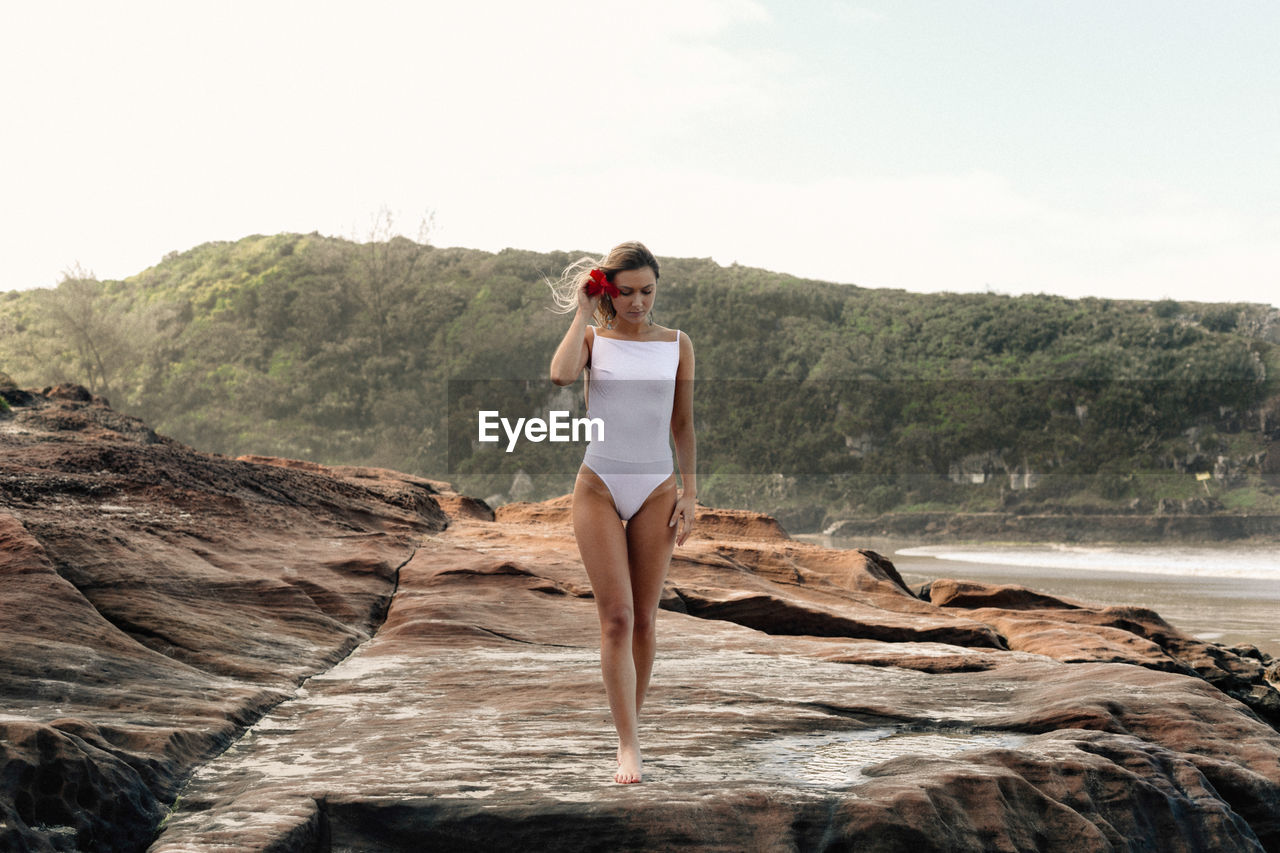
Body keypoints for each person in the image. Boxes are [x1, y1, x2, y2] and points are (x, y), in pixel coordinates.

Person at [548, 240, 696, 784]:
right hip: (599, 488)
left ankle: (632, 727)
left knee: (647, 620)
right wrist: (584, 311)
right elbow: (561, 375)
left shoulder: (678, 344)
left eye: (648, 291)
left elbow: (683, 424)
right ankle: (627, 745)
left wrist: (691, 493)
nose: (638, 302)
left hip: (658, 487)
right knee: (616, 618)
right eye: (627, 292)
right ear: (611, 290)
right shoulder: (593, 339)